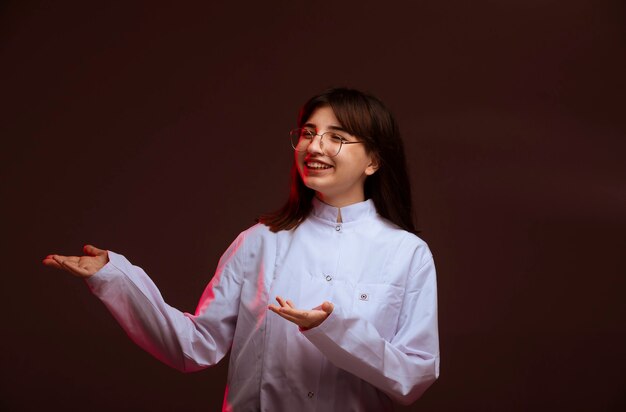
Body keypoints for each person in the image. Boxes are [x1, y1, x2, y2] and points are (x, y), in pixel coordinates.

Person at [43, 87, 440, 411]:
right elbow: (195, 344)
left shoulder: (407, 253)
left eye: (336, 137)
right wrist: (115, 277)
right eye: (307, 133)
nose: (314, 146)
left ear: (373, 160)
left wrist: (330, 330)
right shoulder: (259, 240)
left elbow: (413, 378)